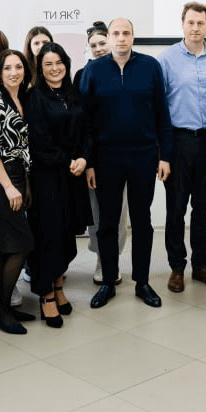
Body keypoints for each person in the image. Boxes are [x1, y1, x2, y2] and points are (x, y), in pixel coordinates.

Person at [79, 17, 172, 309]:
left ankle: (142, 282)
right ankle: (108, 280)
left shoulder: (150, 66)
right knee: (107, 222)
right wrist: (89, 162)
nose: (121, 38)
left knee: (142, 220)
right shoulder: (93, 70)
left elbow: (162, 113)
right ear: (108, 37)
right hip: (106, 158)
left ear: (133, 36)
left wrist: (165, 156)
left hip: (144, 155)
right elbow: (84, 121)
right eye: (116, 33)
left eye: (126, 33)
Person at [156, 1, 206, 293]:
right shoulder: (166, 59)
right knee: (175, 210)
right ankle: (177, 267)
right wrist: (162, 154)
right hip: (178, 141)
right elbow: (159, 109)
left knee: (203, 209)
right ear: (182, 24)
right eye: (190, 22)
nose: (195, 28)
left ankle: (200, 265)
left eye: (200, 23)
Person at [25, 42, 93, 328]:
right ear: (40, 68)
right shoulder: (34, 97)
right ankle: (46, 295)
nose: (55, 68)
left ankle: (59, 285)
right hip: (47, 179)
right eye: (48, 64)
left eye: (59, 62)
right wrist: (69, 160)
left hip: (72, 177)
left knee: (66, 236)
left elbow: (87, 131)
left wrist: (84, 158)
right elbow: (39, 141)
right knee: (48, 238)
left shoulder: (73, 93)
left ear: (66, 63)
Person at [0, 49, 36, 334]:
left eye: (18, 67)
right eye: (8, 68)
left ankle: (1, 309)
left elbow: (23, 147)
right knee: (23, 244)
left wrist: (24, 183)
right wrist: (10, 187)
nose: (14, 72)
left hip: (18, 175)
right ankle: (1, 310)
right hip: (1, 179)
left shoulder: (21, 98)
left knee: (4, 245)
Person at [77, 21, 129, 285]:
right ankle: (101, 257)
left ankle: (113, 259)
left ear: (110, 41)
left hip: (120, 155)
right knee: (97, 214)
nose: (98, 49)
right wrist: (87, 159)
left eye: (102, 43)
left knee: (119, 213)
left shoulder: (124, 70)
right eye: (93, 45)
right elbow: (81, 121)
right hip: (93, 157)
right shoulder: (82, 75)